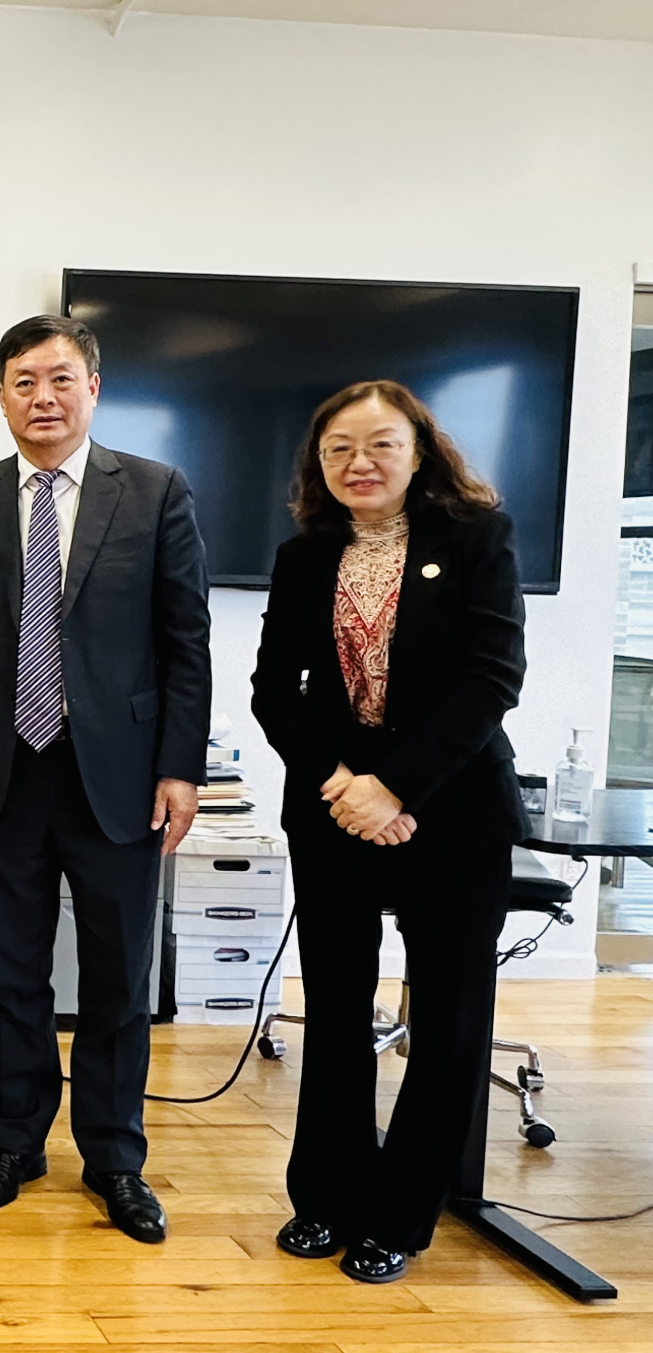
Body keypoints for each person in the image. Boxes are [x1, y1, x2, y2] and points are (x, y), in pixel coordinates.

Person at [0, 315, 210, 1244]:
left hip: (120, 778)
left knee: (119, 977)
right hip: (4, 771)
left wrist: (179, 768)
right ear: (1, 396)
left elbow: (186, 641)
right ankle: (14, 1142)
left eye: (58, 379)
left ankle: (115, 1157)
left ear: (93, 387)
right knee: (13, 973)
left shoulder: (155, 491)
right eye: (23, 382)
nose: (41, 398)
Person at [249, 380, 524, 1286]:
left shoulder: (477, 539)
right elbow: (272, 692)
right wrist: (342, 784)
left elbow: (492, 679)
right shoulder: (304, 555)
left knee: (447, 1017)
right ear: (317, 462)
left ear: (419, 452)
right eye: (338, 449)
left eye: (379, 445)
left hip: (453, 808)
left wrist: (395, 787)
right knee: (334, 1009)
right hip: (333, 809)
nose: (358, 464)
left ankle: (402, 1214)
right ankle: (326, 1197)